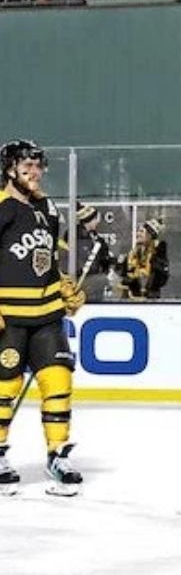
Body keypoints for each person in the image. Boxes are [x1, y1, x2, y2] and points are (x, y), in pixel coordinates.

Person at [0, 140, 86, 495]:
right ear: (9, 170)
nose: (35, 173)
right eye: (27, 167)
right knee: (4, 388)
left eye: (38, 166)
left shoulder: (49, 208)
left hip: (47, 314)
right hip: (10, 318)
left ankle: (58, 454)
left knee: (58, 384)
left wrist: (64, 286)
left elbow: (47, 257)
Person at [115, 218, 170, 300]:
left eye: (141, 231)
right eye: (138, 231)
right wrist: (120, 265)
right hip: (131, 297)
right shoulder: (132, 252)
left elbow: (161, 277)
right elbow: (122, 273)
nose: (138, 234)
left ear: (150, 235)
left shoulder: (157, 254)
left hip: (150, 298)